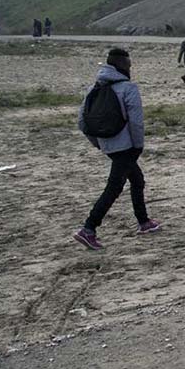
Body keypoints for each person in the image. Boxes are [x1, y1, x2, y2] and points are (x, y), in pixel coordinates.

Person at [74, 48, 160, 250]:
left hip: (108, 145)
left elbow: (82, 122)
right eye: (128, 64)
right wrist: (138, 146)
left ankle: (144, 221)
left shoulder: (94, 88)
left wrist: (98, 143)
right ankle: (88, 229)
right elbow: (136, 123)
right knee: (114, 187)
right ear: (122, 65)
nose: (130, 68)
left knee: (137, 180)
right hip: (126, 146)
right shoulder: (128, 88)